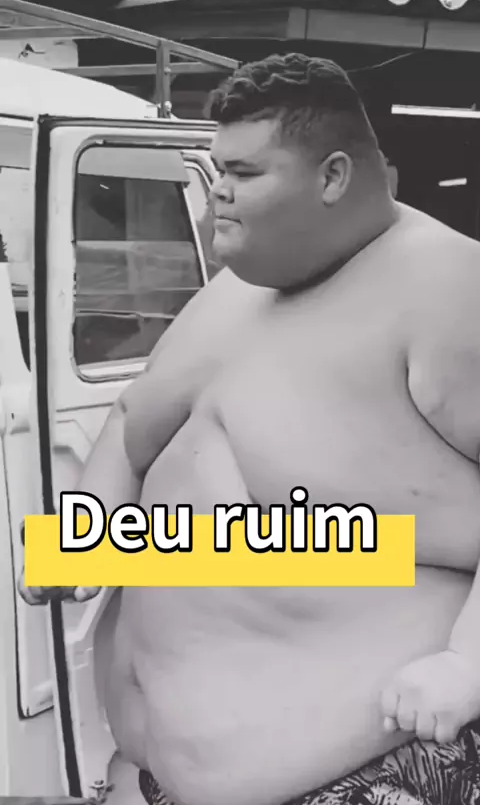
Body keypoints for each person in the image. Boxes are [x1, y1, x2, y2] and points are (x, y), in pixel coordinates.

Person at [19, 53, 480, 805]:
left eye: (243, 173)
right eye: (215, 169)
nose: (217, 192)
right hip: (150, 775)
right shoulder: (232, 293)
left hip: (362, 775)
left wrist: (468, 665)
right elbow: (134, 418)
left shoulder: (447, 286)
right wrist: (82, 534)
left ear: (332, 177)